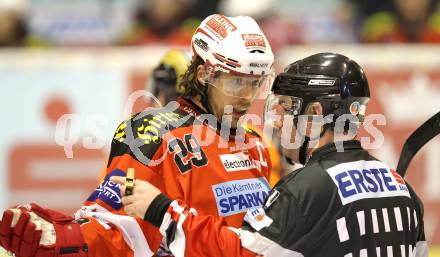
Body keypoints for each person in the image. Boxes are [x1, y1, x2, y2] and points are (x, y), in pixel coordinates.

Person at [0, 14, 275, 257]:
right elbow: (116, 229)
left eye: (255, 83)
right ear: (204, 74)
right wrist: (66, 241)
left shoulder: (255, 142)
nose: (247, 97)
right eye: (236, 81)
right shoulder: (149, 133)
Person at [111, 53, 427, 257]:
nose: (277, 121)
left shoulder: (305, 190)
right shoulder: (403, 190)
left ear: (315, 114)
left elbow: (239, 253)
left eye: (287, 109)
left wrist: (162, 211)